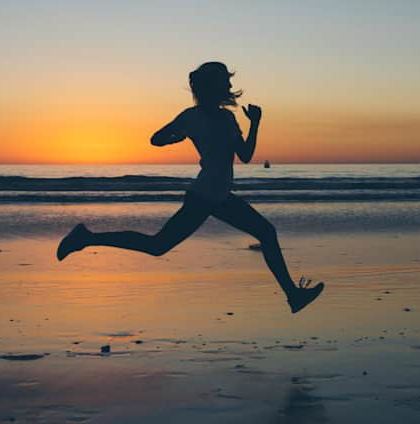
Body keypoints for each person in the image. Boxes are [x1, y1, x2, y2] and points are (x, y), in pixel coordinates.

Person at [57, 62, 324, 313]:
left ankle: (293, 295)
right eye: (223, 84)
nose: (227, 89)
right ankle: (86, 237)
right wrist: (179, 135)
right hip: (205, 196)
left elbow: (244, 155)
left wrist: (255, 124)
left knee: (265, 232)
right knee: (158, 246)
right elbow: (156, 139)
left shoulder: (228, 119)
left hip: (219, 196)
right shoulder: (191, 117)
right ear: (212, 88)